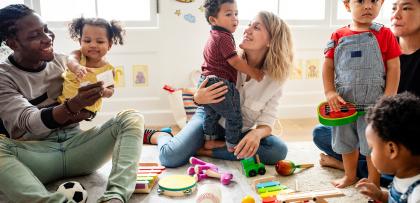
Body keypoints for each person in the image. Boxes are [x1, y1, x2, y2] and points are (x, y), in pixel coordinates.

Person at [0, 4, 143, 203]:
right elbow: (28, 120)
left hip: (77, 146)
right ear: (13, 42)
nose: (48, 37)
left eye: (46, 29)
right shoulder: (4, 76)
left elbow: (91, 106)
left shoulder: (63, 62)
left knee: (131, 117)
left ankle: (115, 197)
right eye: (35, 35)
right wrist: (72, 106)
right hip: (37, 153)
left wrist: (92, 102)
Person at [143, 11, 293, 168]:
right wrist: (197, 97)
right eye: (249, 25)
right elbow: (201, 88)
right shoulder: (227, 57)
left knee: (278, 150)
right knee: (169, 157)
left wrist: (257, 133)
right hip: (209, 119)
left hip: (239, 131)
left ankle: (205, 150)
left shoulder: (276, 79)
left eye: (256, 27)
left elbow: (267, 121)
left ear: (271, 40)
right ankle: (161, 135)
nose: (247, 30)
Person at [313, 0, 420, 188]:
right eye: (361, 1)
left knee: (371, 146)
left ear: (380, 4)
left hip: (374, 105)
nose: (368, 6)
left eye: (373, 1)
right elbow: (328, 65)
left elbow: (394, 67)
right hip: (345, 105)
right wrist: (329, 91)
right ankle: (350, 174)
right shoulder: (338, 35)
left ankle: (374, 179)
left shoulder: (384, 33)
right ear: (347, 5)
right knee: (342, 141)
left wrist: (388, 98)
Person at [200, 0, 263, 152]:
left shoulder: (214, 35)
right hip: (220, 83)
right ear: (213, 20)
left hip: (206, 80)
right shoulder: (224, 36)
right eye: (228, 14)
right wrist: (253, 72)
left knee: (211, 114)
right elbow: (234, 61)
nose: (234, 18)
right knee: (234, 116)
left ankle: (209, 139)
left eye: (236, 13)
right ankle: (232, 145)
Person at [355, 92, 420, 203]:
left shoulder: (417, 195)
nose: (370, 154)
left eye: (372, 149)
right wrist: (380, 195)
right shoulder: (404, 174)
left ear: (392, 150)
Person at [57, 17, 124, 120]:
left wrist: (104, 91)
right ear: (80, 42)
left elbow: (111, 90)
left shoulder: (108, 69)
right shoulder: (78, 55)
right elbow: (71, 60)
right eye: (87, 41)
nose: (93, 45)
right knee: (55, 118)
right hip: (64, 104)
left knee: (69, 121)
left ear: (109, 45)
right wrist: (77, 67)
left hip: (87, 110)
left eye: (100, 42)